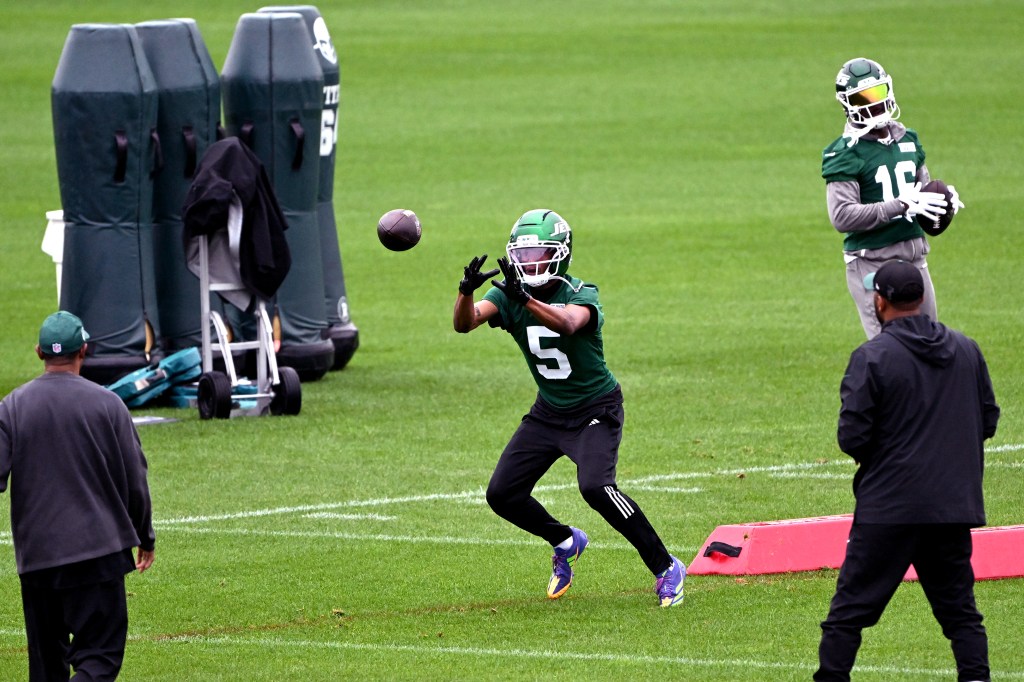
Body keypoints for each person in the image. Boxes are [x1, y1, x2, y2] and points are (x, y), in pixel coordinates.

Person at [453, 209, 685, 607]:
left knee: (596, 487)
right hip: (549, 412)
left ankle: (666, 567)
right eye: (523, 256)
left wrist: (524, 299)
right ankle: (564, 540)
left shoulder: (581, 292)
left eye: (538, 254)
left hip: (596, 409)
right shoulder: (508, 293)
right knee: (502, 494)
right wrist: (466, 292)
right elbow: (464, 323)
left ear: (560, 254)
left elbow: (568, 324)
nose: (530, 264)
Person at [815, 260, 1000, 681]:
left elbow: (852, 437)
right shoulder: (967, 349)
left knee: (847, 615)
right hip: (952, 506)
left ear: (880, 302)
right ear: (920, 297)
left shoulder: (871, 357)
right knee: (961, 616)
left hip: (889, 508)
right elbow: (988, 419)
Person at [0, 311, 156, 681]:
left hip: (37, 558)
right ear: (84, 350)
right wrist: (145, 535)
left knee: (46, 667)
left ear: (39, 352)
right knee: (99, 658)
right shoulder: (108, 404)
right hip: (98, 552)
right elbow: (135, 478)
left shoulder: (12, 407)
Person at [822, 57, 964, 339]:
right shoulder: (845, 152)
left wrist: (942, 200)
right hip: (873, 263)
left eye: (878, 92)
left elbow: (923, 196)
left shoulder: (908, 139)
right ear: (847, 104)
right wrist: (900, 205)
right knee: (892, 350)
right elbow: (842, 216)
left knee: (930, 343)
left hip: (914, 261)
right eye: (863, 97)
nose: (874, 103)